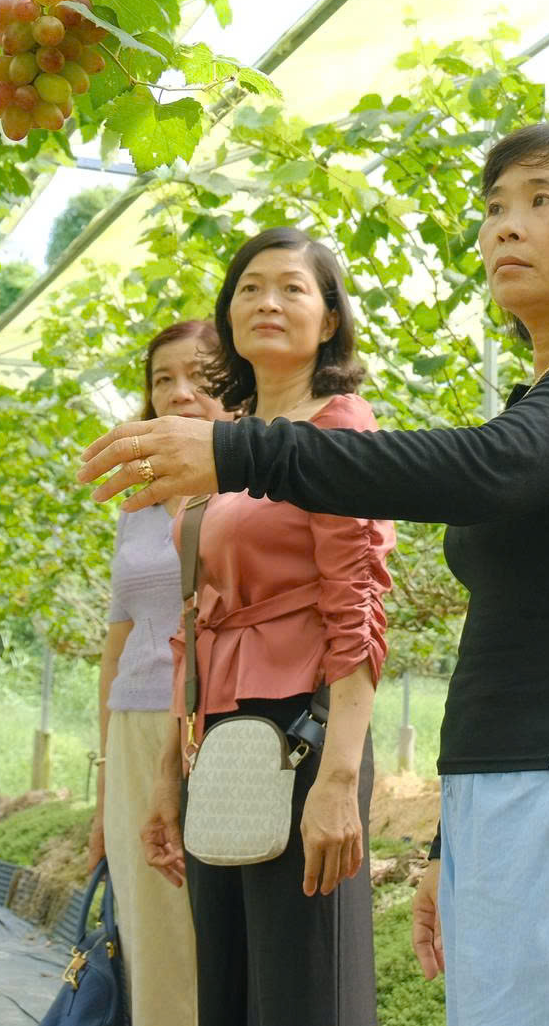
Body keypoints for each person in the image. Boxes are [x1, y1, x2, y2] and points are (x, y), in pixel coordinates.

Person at [82, 124, 549, 1026]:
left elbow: (488, 466)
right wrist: (443, 839)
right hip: (509, 781)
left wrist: (238, 450)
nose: (507, 226)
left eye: (543, 200)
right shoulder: (546, 398)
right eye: (496, 207)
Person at [138, 227, 396, 1026]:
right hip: (218, 733)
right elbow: (195, 612)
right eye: (250, 287)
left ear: (329, 319)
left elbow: (356, 607)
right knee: (230, 991)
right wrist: (168, 775)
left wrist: (340, 779)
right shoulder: (228, 441)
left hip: (304, 728)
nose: (268, 302)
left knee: (302, 993)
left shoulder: (340, 425)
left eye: (292, 287)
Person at [91, 320, 219, 1026]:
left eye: (200, 376)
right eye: (163, 378)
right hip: (138, 724)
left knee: (207, 928)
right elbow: (118, 642)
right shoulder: (136, 499)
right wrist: (106, 768)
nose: (180, 392)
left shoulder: (245, 484)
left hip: (217, 718)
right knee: (148, 928)